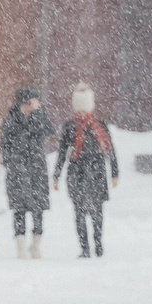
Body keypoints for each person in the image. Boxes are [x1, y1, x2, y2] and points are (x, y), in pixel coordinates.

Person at [55, 84, 121, 259]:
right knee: (81, 212)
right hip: (80, 173)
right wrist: (56, 175)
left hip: (93, 172)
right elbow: (62, 152)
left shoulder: (97, 126)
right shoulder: (73, 127)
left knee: (95, 212)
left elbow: (110, 150)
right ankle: (85, 247)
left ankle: (96, 243)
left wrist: (114, 172)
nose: (83, 112)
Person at [0, 88, 53, 260]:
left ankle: (35, 245)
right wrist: (10, 164)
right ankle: (21, 247)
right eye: (29, 101)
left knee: (38, 209)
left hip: (37, 170)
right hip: (17, 171)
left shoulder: (39, 117)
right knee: (19, 209)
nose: (32, 104)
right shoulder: (11, 119)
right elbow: (4, 144)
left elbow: (49, 129)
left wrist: (37, 112)